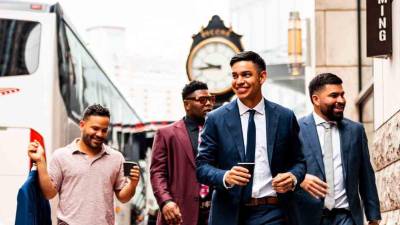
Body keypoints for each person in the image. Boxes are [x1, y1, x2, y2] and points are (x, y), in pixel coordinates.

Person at [196, 51, 306, 225]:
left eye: (246, 75)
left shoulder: (285, 117)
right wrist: (225, 176)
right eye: (234, 76)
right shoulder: (216, 119)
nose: (239, 81)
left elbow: (300, 162)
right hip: (229, 214)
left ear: (262, 77)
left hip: (274, 212)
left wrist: (292, 177)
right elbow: (201, 167)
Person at [27, 104, 140, 225]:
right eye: (95, 128)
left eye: (104, 130)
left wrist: (133, 184)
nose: (100, 134)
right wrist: (40, 161)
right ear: (82, 125)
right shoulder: (61, 155)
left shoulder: (116, 158)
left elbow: (123, 197)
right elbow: (49, 194)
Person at [294, 73, 381, 225]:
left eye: (342, 95)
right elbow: (282, 168)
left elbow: (366, 175)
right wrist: (299, 179)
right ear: (316, 99)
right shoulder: (296, 129)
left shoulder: (356, 131)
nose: (341, 100)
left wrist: (373, 217)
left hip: (346, 217)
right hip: (309, 218)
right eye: (334, 95)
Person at [150, 81, 215, 225]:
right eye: (202, 100)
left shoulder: (219, 132)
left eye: (211, 99)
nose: (209, 104)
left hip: (214, 213)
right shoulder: (166, 134)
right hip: (180, 213)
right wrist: (166, 201)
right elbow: (157, 173)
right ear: (187, 104)